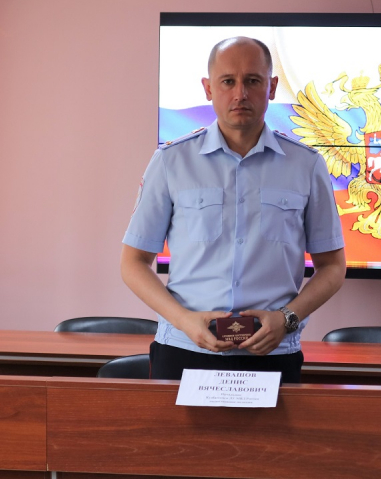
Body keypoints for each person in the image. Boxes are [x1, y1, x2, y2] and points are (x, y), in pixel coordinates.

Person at [121, 36, 346, 381]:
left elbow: (332, 266)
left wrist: (287, 319)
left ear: (272, 87)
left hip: (273, 353)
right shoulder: (171, 161)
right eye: (228, 81)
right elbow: (133, 263)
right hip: (185, 349)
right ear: (208, 88)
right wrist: (184, 321)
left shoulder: (306, 165)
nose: (240, 93)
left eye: (252, 81)